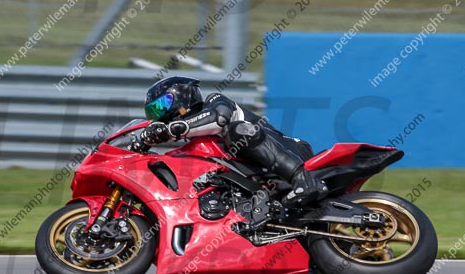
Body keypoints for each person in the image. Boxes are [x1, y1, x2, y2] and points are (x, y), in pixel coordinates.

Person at [139, 76, 328, 206]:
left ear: (181, 96)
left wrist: (173, 129)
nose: (159, 115)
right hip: (264, 179)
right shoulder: (195, 141)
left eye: (161, 106)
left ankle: (302, 178)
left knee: (236, 131)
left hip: (293, 152)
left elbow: (219, 118)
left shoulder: (215, 101)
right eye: (153, 112)